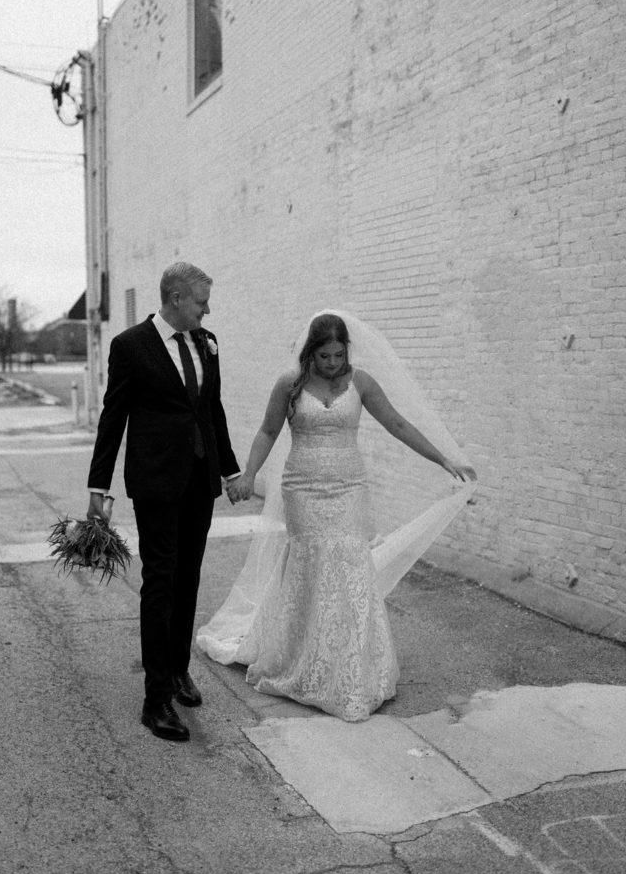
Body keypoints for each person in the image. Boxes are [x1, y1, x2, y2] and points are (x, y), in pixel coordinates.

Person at [198, 311, 476, 722]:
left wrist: (444, 459)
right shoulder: (289, 385)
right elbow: (268, 431)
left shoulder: (360, 383)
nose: (331, 364)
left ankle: (352, 668)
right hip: (304, 489)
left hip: (348, 489)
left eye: (338, 355)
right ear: (311, 351)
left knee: (349, 569)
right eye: (324, 356)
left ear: (347, 350)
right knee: (314, 568)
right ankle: (304, 661)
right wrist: (250, 473)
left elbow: (398, 423)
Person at [86, 261, 240, 741]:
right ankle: (155, 701)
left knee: (189, 576)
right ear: (175, 298)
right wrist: (99, 488)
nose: (206, 310)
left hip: (199, 481)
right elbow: (114, 417)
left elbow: (211, 408)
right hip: (156, 482)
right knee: (160, 582)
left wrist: (230, 469)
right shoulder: (130, 346)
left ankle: (177, 670)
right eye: (200, 301)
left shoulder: (206, 341)